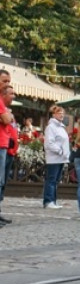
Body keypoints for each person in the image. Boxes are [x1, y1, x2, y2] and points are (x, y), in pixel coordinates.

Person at [43, 105, 70, 209]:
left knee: (56, 180)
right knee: (51, 179)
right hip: (53, 158)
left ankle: (53, 200)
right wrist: (59, 151)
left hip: (61, 158)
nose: (62, 114)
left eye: (63, 113)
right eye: (59, 113)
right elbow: (49, 143)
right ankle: (48, 201)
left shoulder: (61, 127)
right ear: (53, 114)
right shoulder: (51, 127)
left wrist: (65, 154)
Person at [0, 84, 16, 225]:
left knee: (2, 182)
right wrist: (7, 116)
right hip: (1, 146)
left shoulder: (7, 109)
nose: (13, 96)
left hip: (7, 148)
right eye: (11, 93)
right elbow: (6, 120)